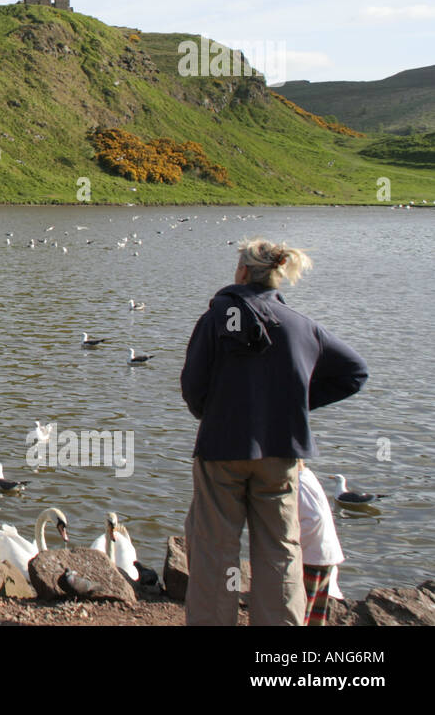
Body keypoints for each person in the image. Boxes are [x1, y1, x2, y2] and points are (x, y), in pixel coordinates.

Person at [180, 238, 367, 626]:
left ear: (244, 271)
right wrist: (290, 405)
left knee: (216, 550)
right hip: (280, 453)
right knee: (280, 549)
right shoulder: (302, 326)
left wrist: (217, 413)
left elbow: (193, 386)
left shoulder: (217, 317)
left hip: (222, 450)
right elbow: (354, 373)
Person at [298, 461, 345, 625]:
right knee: (315, 617)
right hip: (322, 554)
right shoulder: (307, 476)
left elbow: (313, 520)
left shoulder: (299, 483)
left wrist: (288, 546)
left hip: (312, 557)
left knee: (300, 613)